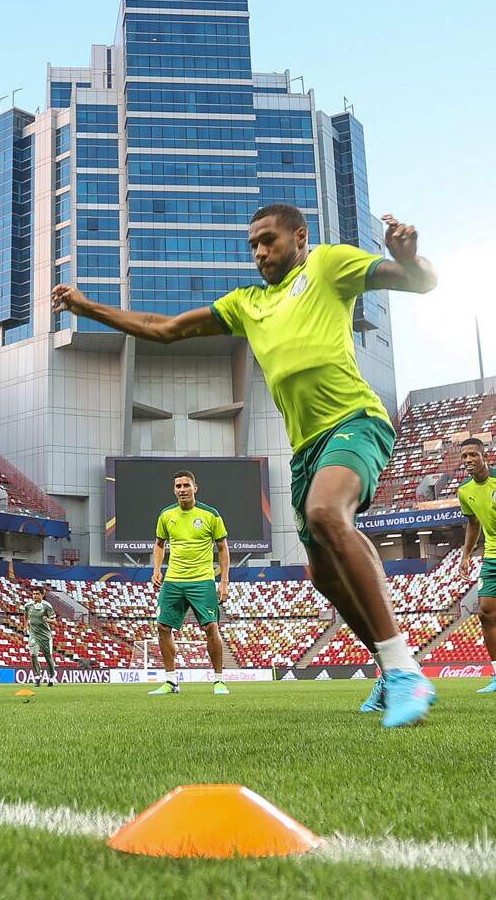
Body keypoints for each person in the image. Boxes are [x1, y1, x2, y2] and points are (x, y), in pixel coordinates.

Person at [54, 206, 438, 728]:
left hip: (356, 420)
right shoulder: (246, 304)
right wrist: (86, 307)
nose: (259, 252)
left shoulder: (328, 265)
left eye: (269, 241)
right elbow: (162, 328)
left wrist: (409, 259)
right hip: (305, 449)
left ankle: (404, 669)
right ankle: (387, 669)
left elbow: (420, 283)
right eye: (253, 244)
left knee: (327, 513)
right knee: (323, 576)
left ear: (299, 237)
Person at [146, 471, 230, 696]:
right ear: (174, 490)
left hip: (202, 580)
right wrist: (156, 569)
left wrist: (223, 581)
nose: (182, 489)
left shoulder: (210, 515)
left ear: (195, 488)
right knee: (163, 627)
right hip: (173, 581)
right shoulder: (166, 515)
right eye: (178, 486)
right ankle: (171, 681)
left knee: (211, 627)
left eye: (186, 485)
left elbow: (222, 548)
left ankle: (219, 680)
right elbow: (159, 544)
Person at [455, 437, 496, 694]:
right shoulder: (464, 491)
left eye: (473, 455)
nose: (468, 460)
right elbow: (473, 524)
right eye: (464, 457)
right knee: (486, 613)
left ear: (484, 456)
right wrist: (466, 555)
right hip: (492, 553)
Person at [22, 586, 58, 686]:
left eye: (37, 594)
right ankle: (38, 676)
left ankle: (52, 676)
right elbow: (25, 615)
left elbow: (55, 621)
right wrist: (25, 627)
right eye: (33, 594)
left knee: (48, 657)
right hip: (33, 634)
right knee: (33, 654)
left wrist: (48, 620)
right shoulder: (28, 605)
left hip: (45, 635)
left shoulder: (47, 606)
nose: (35, 596)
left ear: (42, 594)